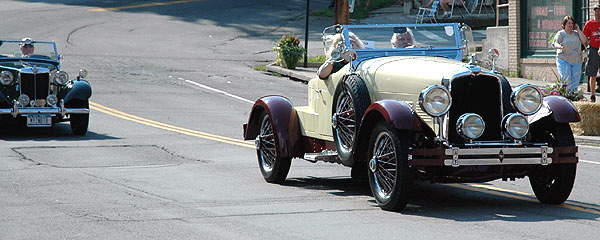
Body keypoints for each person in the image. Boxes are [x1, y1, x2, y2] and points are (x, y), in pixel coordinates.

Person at [553, 16, 587, 93]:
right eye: (569, 23)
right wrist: (559, 46)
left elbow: (584, 41)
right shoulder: (561, 33)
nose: (570, 25)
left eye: (572, 23)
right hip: (564, 59)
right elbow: (555, 43)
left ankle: (573, 96)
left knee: (575, 81)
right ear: (564, 24)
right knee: (566, 79)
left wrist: (578, 30)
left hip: (576, 60)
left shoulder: (576, 34)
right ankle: (565, 95)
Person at [583, 4, 600, 102]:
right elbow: (584, 38)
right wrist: (584, 51)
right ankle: (593, 94)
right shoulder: (589, 24)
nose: (598, 13)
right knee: (592, 74)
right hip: (593, 50)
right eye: (596, 11)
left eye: (599, 11)